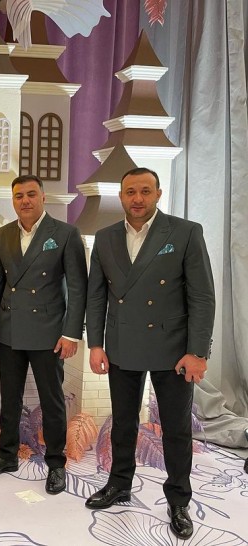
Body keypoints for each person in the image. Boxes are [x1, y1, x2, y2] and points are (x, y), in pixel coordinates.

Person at [85, 167, 215, 540]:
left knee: (176, 429)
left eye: (145, 191)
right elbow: (97, 296)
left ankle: (178, 500)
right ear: (121, 196)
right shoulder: (106, 237)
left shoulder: (185, 232)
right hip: (122, 345)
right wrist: (96, 343)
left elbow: (202, 296)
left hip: (173, 349)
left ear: (158, 193)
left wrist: (197, 352)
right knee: (123, 423)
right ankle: (119, 483)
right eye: (130, 192)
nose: (137, 198)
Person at [0, 174, 87, 495]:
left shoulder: (65, 233)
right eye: (18, 196)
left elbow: (78, 288)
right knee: (9, 397)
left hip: (49, 332)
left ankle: (56, 463)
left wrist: (71, 334)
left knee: (51, 400)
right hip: (10, 329)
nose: (24, 201)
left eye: (30, 194)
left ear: (43, 197)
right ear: (13, 200)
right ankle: (7, 455)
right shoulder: (4, 233)